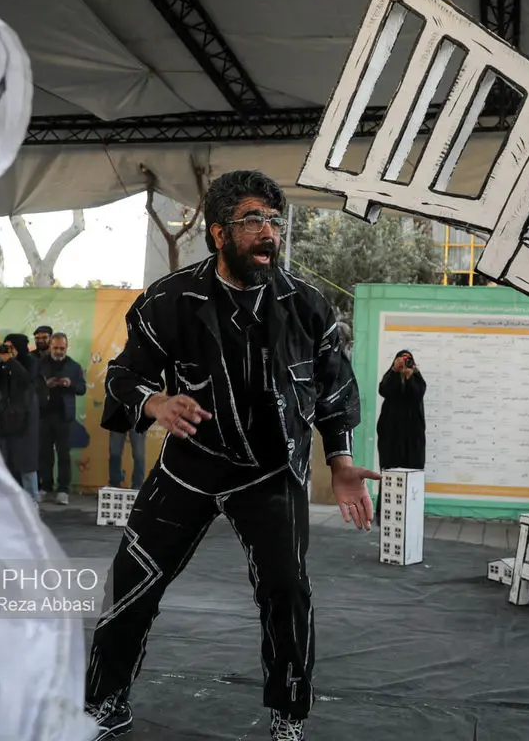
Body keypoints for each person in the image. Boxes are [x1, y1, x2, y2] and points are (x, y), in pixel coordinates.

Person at [85, 170, 378, 741]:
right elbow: (123, 376)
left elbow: (334, 389)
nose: (268, 233)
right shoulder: (168, 301)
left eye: (274, 221)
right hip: (188, 469)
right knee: (130, 582)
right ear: (218, 233)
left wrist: (341, 463)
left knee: (287, 590)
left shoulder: (307, 306)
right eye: (252, 221)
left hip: (270, 472)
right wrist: (155, 403)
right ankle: (105, 701)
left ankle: (289, 716)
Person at [0, 333, 41, 503]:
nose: (8, 351)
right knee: (3, 458)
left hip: (25, 419)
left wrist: (10, 360)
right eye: (6, 347)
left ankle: (31, 500)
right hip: (2, 417)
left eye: (12, 347)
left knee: (26, 461)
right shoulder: (3, 365)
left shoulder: (31, 362)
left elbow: (26, 378)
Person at [38, 331, 86, 504]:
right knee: (44, 453)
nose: (59, 351)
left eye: (62, 348)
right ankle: (45, 486)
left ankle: (63, 489)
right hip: (43, 414)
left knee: (64, 454)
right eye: (56, 347)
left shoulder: (74, 366)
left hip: (64, 417)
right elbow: (32, 386)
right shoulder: (39, 364)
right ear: (50, 346)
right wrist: (45, 385)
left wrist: (70, 383)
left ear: (67, 347)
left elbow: (82, 389)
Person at [376, 350, 427, 469]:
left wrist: (410, 376)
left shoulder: (416, 377)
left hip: (412, 436)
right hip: (391, 432)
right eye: (401, 360)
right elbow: (384, 390)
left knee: (412, 471)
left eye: (407, 360)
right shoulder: (391, 375)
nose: (404, 364)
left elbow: (417, 394)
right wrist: (394, 370)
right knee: (390, 471)